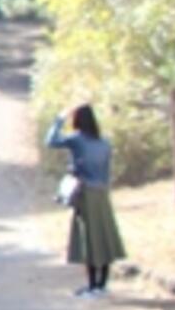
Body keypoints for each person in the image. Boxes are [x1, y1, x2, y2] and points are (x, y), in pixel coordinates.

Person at [47, 104, 126, 297]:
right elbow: (107, 172)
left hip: (86, 194)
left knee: (89, 239)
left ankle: (92, 286)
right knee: (105, 236)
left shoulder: (77, 140)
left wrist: (59, 119)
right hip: (102, 193)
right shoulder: (104, 142)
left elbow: (50, 141)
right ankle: (102, 284)